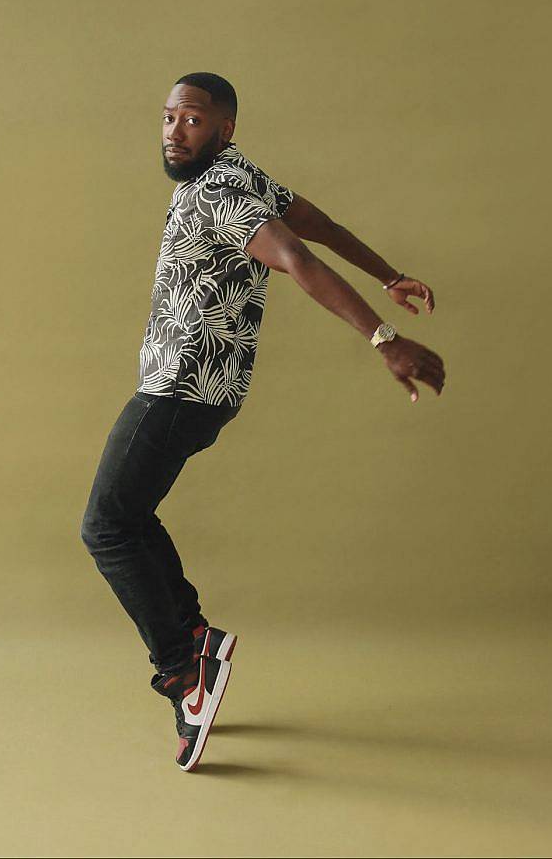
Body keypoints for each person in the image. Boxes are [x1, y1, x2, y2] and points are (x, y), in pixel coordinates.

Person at [80, 71, 446, 772]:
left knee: (105, 524)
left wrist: (381, 337)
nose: (173, 131)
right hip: (207, 389)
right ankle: (193, 635)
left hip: (179, 385)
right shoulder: (238, 174)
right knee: (131, 515)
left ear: (224, 128)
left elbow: (296, 255)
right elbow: (315, 223)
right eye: (166, 118)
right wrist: (387, 271)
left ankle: (183, 672)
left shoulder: (217, 189)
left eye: (190, 119)